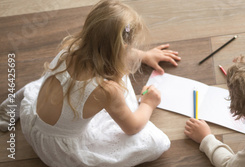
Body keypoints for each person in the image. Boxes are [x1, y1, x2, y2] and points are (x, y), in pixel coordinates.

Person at [0, 0, 180, 166]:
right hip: (57, 149)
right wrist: (148, 104)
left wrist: (144, 56)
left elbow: (108, 50)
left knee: (62, 86)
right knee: (157, 142)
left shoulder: (70, 49)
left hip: (33, 123)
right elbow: (132, 127)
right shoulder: (107, 90)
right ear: (123, 47)